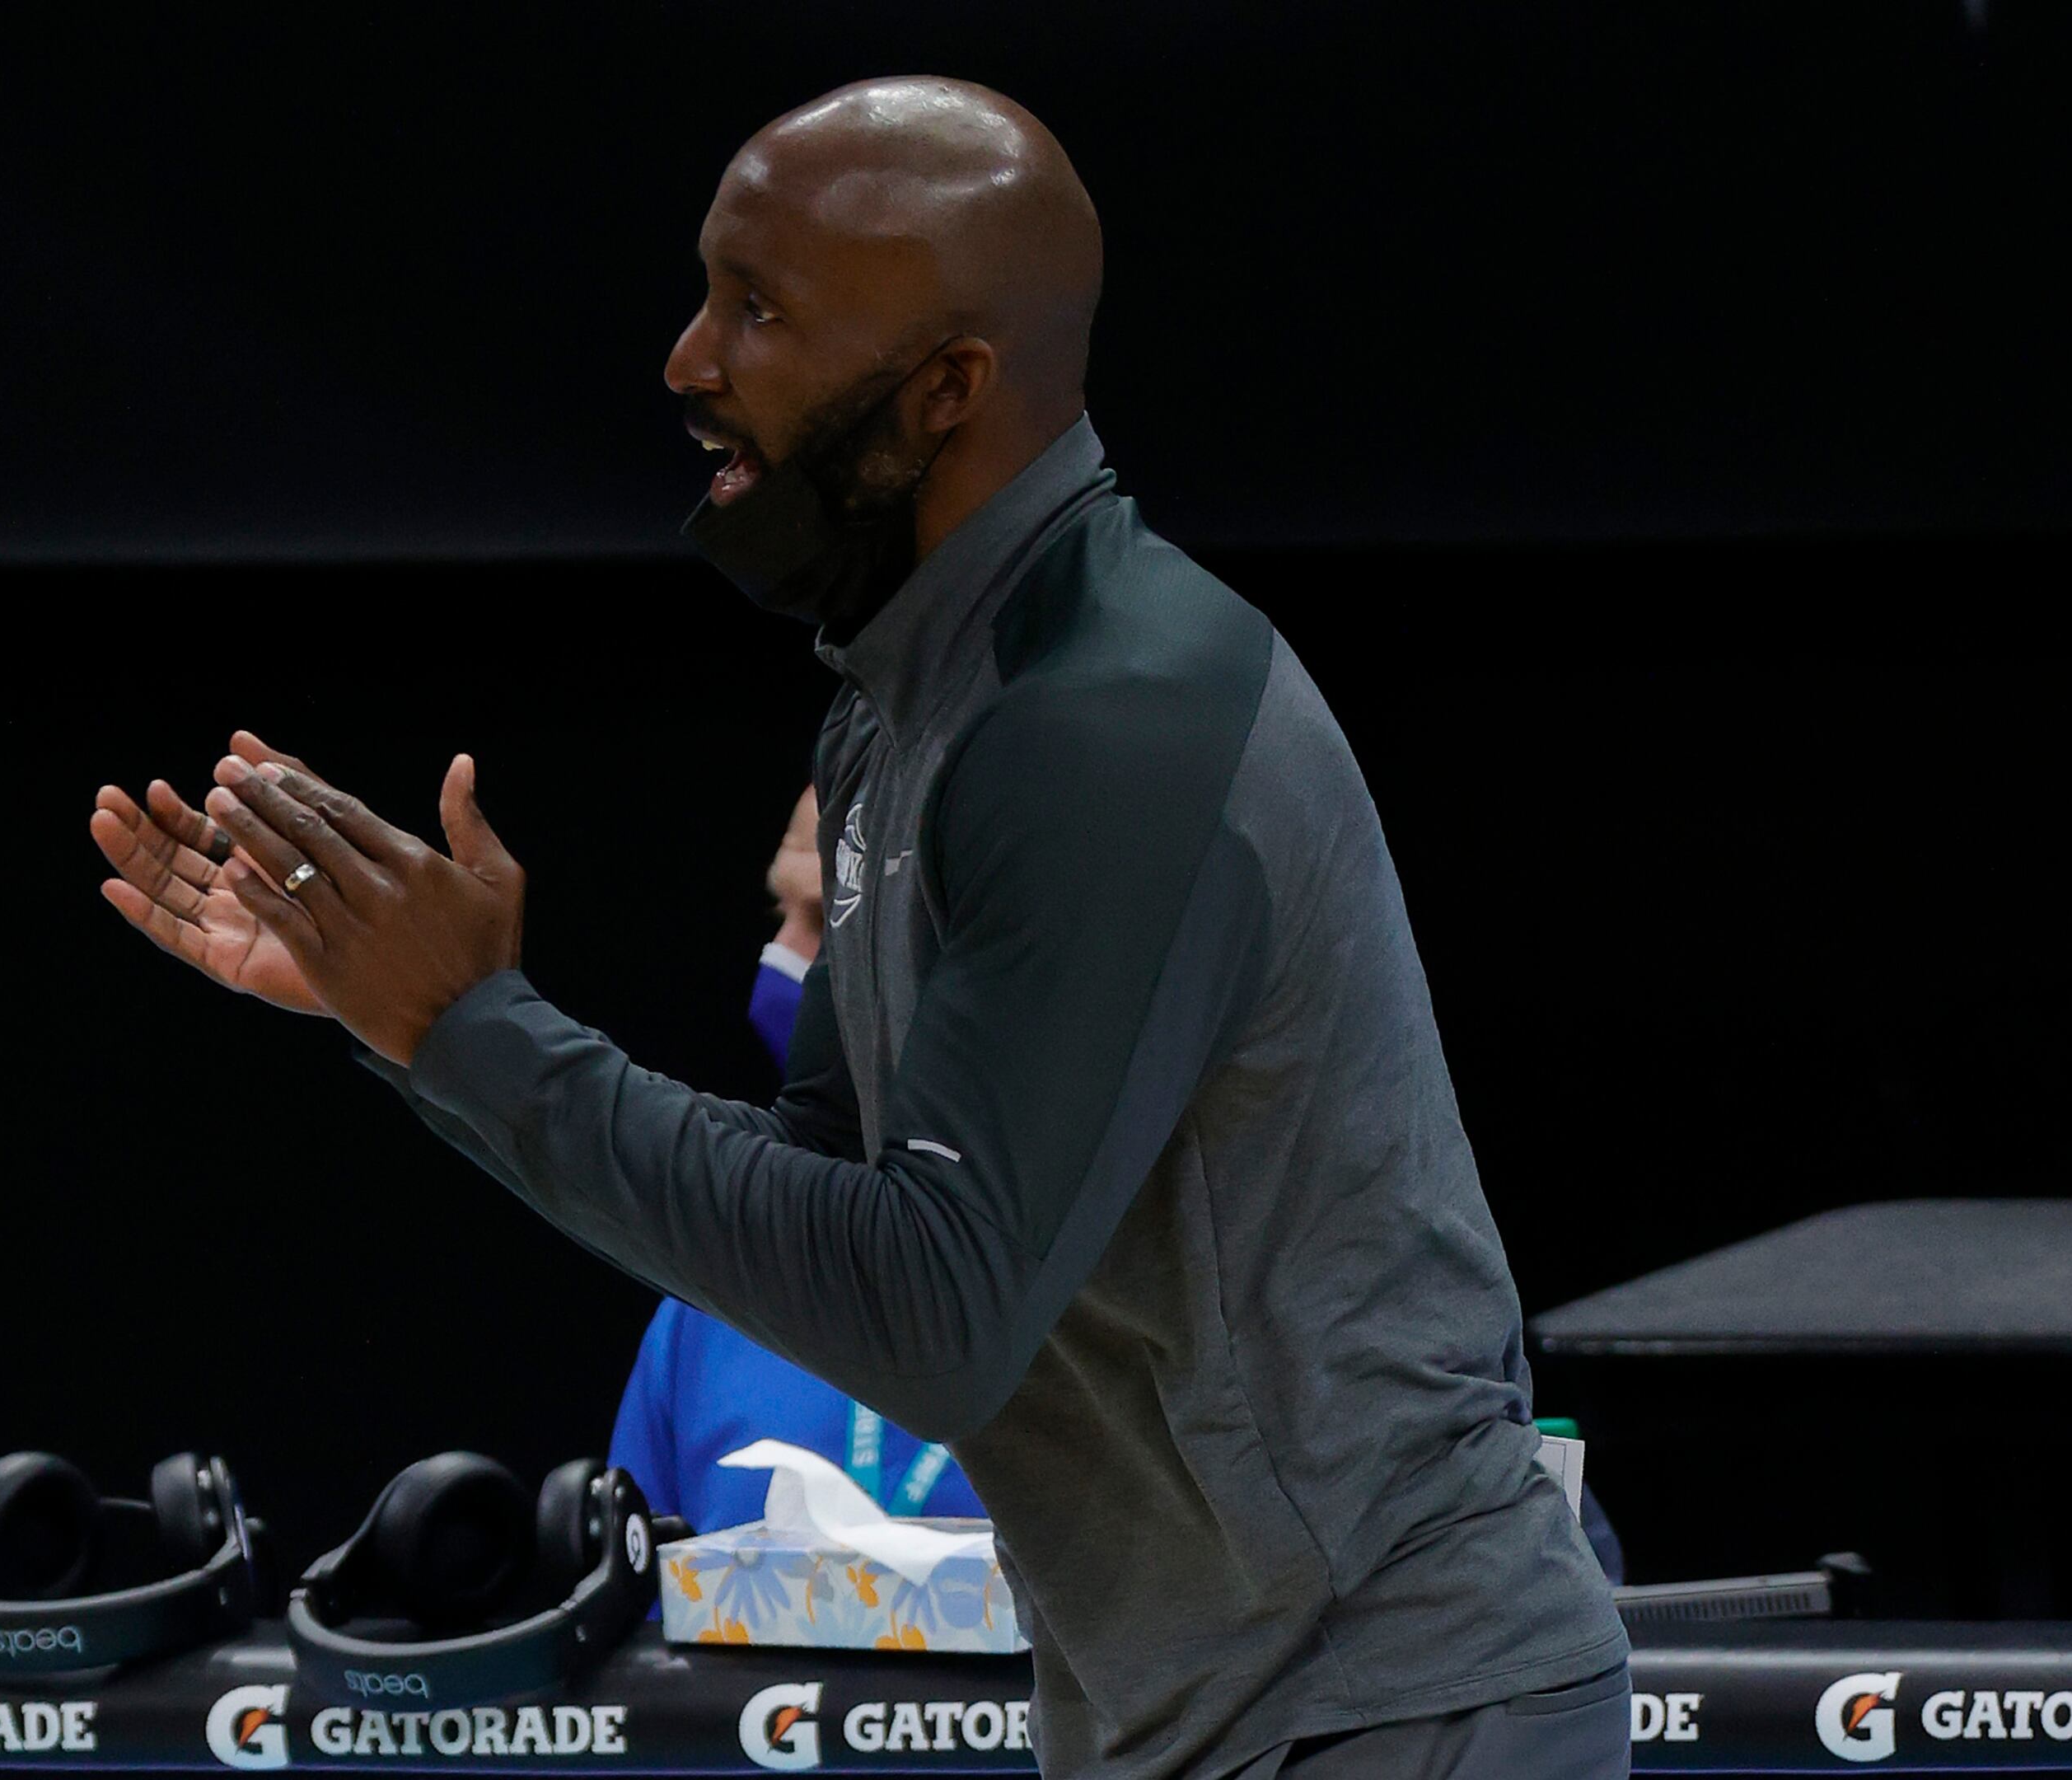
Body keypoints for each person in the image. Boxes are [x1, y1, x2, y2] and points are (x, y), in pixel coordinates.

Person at [91, 77, 1629, 1780]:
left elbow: (928, 1320)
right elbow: (822, 1207)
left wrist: (477, 1034)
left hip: (1395, 1693)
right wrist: (417, 1030)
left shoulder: (1106, 716)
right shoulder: (902, 709)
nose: (687, 361)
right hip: (1183, 1705)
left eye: (755, 308)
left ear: (950, 387)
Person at [611, 787, 988, 1538]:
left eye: (825, 919)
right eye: (779, 917)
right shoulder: (710, 1304)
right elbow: (642, 1635)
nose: (781, 960)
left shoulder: (1156, 1297)